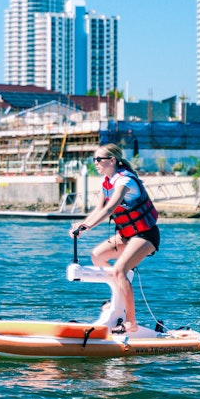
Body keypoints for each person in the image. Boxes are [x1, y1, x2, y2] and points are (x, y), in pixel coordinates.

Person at [71, 143, 160, 333]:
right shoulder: (107, 183)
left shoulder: (125, 181)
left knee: (120, 269)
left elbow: (110, 209)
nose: (95, 163)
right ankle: (118, 300)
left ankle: (131, 322)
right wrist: (81, 225)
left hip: (145, 235)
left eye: (99, 159)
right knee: (97, 255)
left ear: (112, 160)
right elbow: (98, 209)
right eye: (94, 159)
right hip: (127, 235)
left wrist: (88, 227)